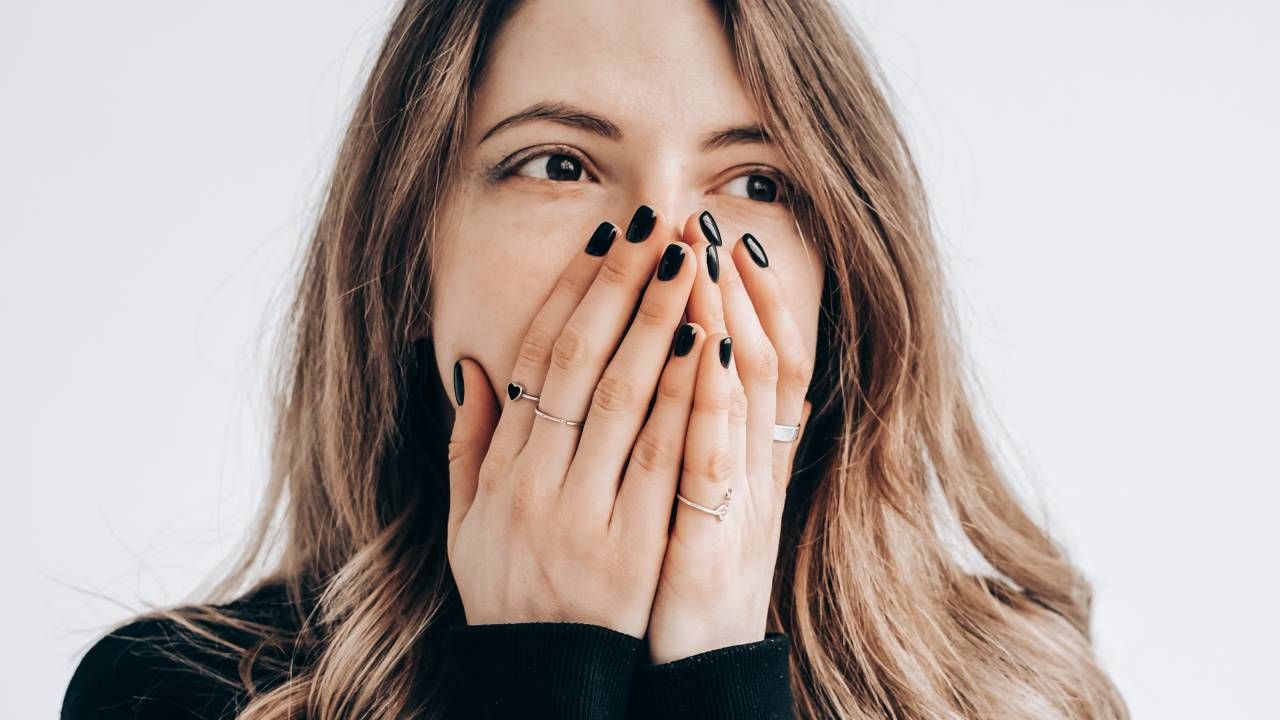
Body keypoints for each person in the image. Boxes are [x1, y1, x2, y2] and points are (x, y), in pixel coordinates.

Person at [61, 0, 1129, 717]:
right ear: (406, 263)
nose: (668, 243)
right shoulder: (179, 696)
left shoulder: (1014, 696)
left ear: (841, 279)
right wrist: (541, 669)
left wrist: (714, 662)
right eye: (558, 163)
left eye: (756, 182)